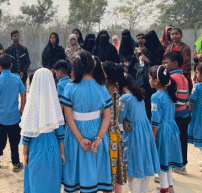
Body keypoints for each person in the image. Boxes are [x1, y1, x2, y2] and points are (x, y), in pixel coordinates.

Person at [59, 50, 113, 193]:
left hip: (75, 133)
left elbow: (68, 117)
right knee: (95, 169)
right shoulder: (102, 87)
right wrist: (98, 138)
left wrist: (80, 139)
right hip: (97, 131)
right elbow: (107, 116)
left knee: (75, 170)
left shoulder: (70, 87)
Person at [20, 68, 65, 193]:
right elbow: (60, 132)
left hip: (35, 148)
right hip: (53, 147)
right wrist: (62, 152)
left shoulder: (32, 105)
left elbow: (27, 134)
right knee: (52, 182)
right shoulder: (54, 104)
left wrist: (25, 153)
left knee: (36, 182)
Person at [118, 74, 160, 193]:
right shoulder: (139, 96)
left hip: (133, 134)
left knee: (133, 165)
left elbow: (119, 118)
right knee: (144, 162)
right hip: (145, 132)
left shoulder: (124, 99)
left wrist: (123, 120)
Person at [0, 54, 26, 172]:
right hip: (14, 116)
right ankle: (16, 164)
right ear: (11, 65)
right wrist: (21, 109)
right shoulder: (17, 78)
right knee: (14, 142)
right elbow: (23, 94)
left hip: (0, 117)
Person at [149, 65, 183, 193]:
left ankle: (163, 189)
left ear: (156, 81)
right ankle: (170, 187)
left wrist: (152, 137)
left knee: (162, 161)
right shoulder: (169, 94)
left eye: (149, 78)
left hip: (162, 131)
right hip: (172, 128)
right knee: (167, 161)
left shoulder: (155, 97)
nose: (149, 80)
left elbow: (155, 120)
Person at [102, 62, 127, 193]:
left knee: (107, 169)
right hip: (116, 135)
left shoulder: (103, 96)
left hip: (105, 135)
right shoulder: (117, 94)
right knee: (116, 168)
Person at [163, 51, 190, 174]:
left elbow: (168, 96)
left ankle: (176, 164)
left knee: (173, 140)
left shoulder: (171, 78)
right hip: (184, 114)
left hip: (175, 115)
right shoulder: (184, 77)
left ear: (175, 63)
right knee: (182, 139)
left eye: (167, 63)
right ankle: (182, 164)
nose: (165, 65)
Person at [187, 61, 202, 173]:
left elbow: (191, 103)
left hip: (200, 115)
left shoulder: (198, 86)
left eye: (197, 72)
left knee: (200, 136)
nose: (195, 74)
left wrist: (187, 109)